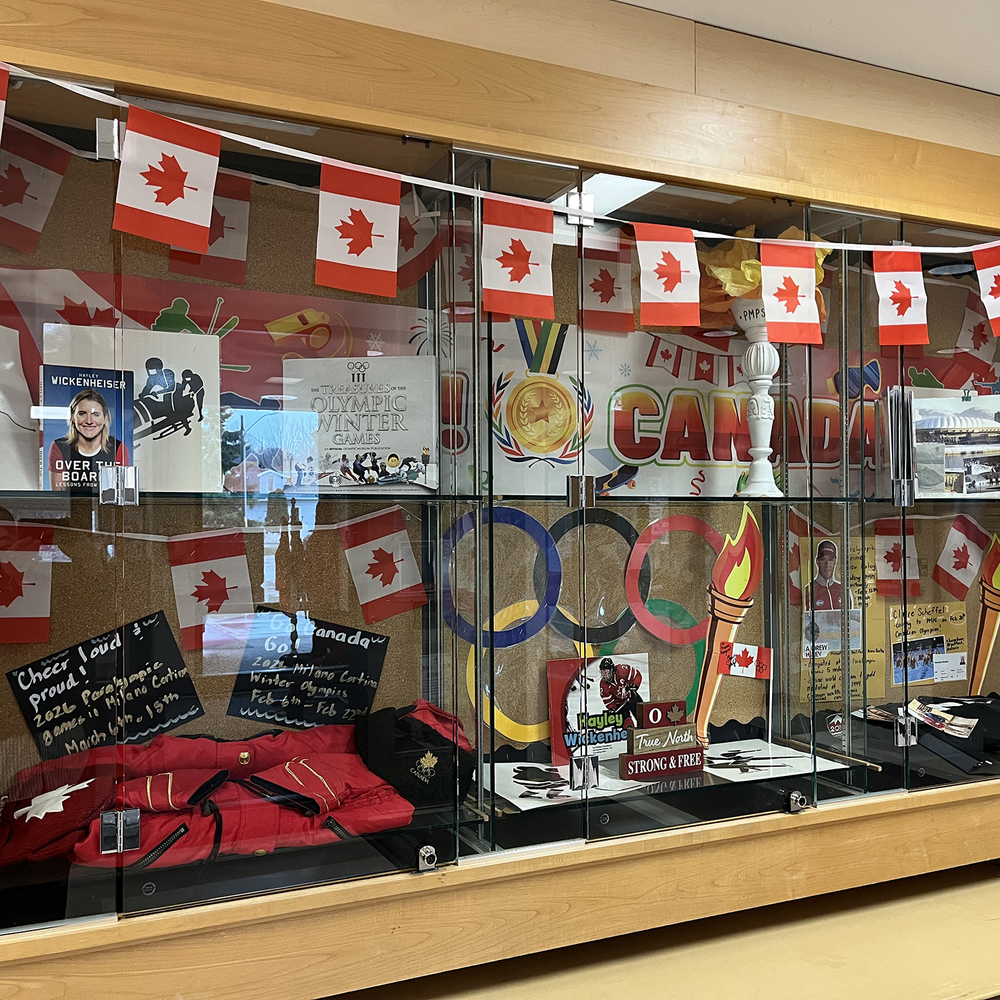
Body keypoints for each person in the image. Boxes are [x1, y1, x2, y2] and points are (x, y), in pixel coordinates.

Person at [47, 389, 129, 491]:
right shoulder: (59, 447)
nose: (89, 421)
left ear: (105, 418)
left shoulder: (118, 449)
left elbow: (119, 494)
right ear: (73, 417)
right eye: (82, 413)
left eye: (96, 414)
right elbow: (59, 498)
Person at [803, 539, 854, 611]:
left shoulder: (843, 590)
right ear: (817, 561)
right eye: (823, 560)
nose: (827, 564)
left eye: (830, 560)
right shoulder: (808, 590)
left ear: (835, 561)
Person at [598, 656, 643, 728]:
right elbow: (608, 700)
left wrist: (634, 687)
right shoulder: (603, 685)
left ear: (612, 670)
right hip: (620, 705)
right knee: (628, 726)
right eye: (603, 673)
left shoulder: (622, 671)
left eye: (607, 672)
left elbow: (636, 675)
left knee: (644, 719)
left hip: (631, 697)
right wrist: (612, 708)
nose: (605, 676)